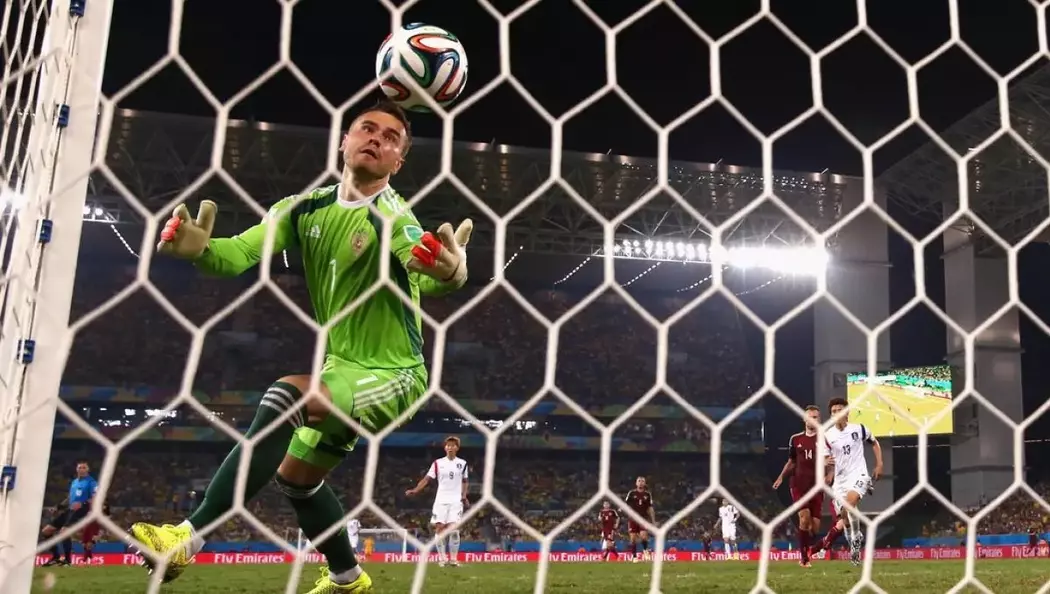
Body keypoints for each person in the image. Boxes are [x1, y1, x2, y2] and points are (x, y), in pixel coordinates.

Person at [130, 100, 473, 594]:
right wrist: (202, 249)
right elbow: (239, 253)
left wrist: (452, 271)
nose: (376, 139)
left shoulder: (396, 217)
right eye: (367, 128)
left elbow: (428, 268)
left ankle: (187, 537)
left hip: (394, 374)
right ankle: (348, 579)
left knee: (287, 394)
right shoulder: (302, 209)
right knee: (296, 478)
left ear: (399, 161)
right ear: (344, 140)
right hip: (340, 369)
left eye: (391, 138)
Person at [810, 397, 884, 566]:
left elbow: (874, 443)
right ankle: (854, 539)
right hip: (840, 481)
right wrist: (826, 464)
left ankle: (855, 539)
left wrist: (879, 464)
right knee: (845, 515)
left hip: (858, 474)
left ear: (847, 412)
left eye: (839, 410)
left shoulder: (859, 429)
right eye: (833, 411)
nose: (836, 413)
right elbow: (824, 458)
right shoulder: (827, 436)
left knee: (850, 503)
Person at [405, 436, 469, 567]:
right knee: (440, 528)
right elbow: (427, 479)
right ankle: (442, 559)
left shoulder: (463, 464)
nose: (450, 447)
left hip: (456, 501)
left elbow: (465, 481)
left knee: (454, 530)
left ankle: (453, 559)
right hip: (441, 500)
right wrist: (415, 490)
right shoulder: (437, 463)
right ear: (445, 448)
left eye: (453, 445)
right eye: (448, 445)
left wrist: (463, 496)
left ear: (457, 448)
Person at [772, 405, 823, 567]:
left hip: (817, 486)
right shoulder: (795, 439)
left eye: (815, 417)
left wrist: (829, 474)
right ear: (804, 419)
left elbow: (831, 460)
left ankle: (808, 547)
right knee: (804, 518)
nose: (812, 420)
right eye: (810, 417)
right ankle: (804, 558)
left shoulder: (825, 439)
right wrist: (781, 477)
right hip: (798, 484)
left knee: (815, 528)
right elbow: (792, 461)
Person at [41, 460, 97, 566]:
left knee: (64, 532)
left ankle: (67, 560)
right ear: (76, 469)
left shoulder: (91, 482)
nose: (81, 470)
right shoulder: (75, 482)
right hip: (70, 510)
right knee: (46, 531)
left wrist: (83, 504)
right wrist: (58, 507)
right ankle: (56, 557)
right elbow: (70, 498)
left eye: (84, 467)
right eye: (80, 467)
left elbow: (95, 497)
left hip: (82, 511)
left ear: (88, 469)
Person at [624, 476, 655, 562]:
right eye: (639, 481)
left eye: (642, 481)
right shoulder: (631, 493)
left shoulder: (647, 494)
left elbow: (650, 508)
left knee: (643, 536)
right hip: (633, 518)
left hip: (643, 518)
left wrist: (653, 520)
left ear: (645, 483)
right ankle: (634, 557)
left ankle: (645, 551)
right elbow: (626, 504)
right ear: (636, 483)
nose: (641, 482)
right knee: (633, 539)